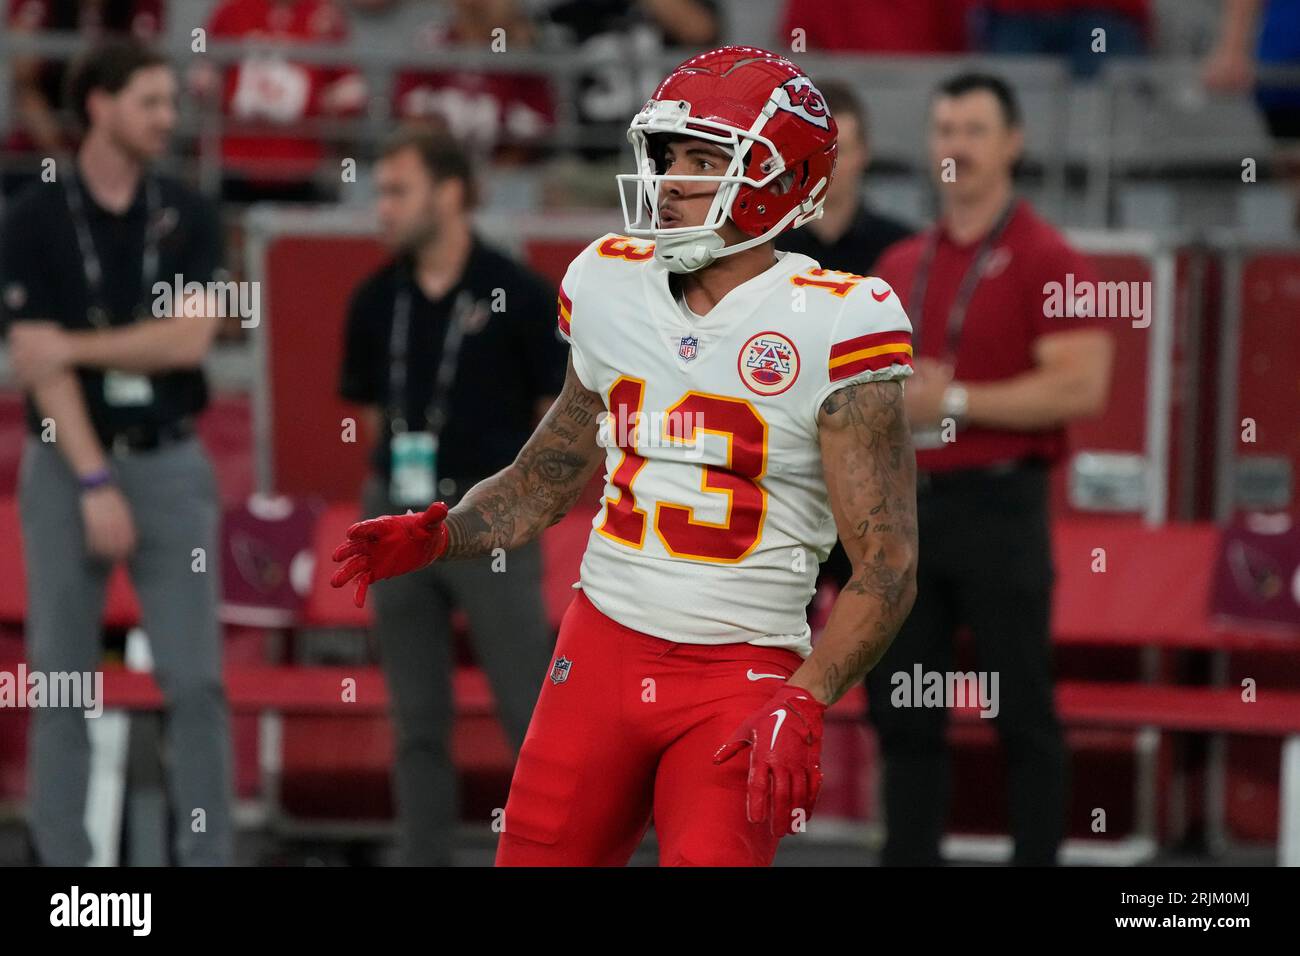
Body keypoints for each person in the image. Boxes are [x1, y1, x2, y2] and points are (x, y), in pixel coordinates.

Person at [332, 46, 920, 867]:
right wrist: (445, 534)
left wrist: (807, 695)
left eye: (707, 158)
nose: (674, 179)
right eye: (671, 155)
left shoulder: (839, 321)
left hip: (740, 671)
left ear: (782, 179)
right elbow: (547, 477)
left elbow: (887, 563)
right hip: (601, 646)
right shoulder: (611, 284)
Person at [869, 72, 1114, 865]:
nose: (957, 147)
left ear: (1014, 143)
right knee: (905, 713)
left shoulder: (1052, 257)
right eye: (944, 130)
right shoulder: (900, 262)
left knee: (1021, 712)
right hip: (908, 509)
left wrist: (959, 399)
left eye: (975, 130)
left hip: (1001, 508)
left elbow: (1084, 385)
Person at [0, 38, 232, 865]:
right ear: (98, 104)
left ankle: (207, 855)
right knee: (61, 678)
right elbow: (36, 367)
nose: (168, 118)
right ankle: (68, 872)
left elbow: (187, 341)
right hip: (68, 462)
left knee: (196, 680)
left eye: (171, 102)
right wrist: (95, 479)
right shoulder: (33, 215)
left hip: (170, 458)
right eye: (150, 102)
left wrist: (78, 347)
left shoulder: (188, 212)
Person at [337, 127, 564, 866]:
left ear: (450, 192)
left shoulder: (519, 292)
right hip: (398, 514)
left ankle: (562, 851)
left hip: (488, 515)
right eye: (379, 191)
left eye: (398, 190)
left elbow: (553, 413)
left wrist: (512, 502)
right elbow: (369, 413)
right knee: (416, 719)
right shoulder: (376, 299)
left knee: (530, 708)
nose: (383, 208)